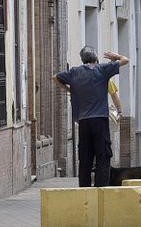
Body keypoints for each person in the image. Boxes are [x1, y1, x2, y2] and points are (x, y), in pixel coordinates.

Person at [53, 47, 128, 187]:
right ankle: (101, 187)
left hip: (83, 121)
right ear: (95, 58)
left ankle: (84, 188)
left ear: (82, 59)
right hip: (100, 120)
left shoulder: (75, 72)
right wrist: (116, 56)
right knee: (103, 155)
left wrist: (70, 90)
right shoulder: (102, 69)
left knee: (85, 157)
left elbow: (55, 77)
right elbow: (125, 60)